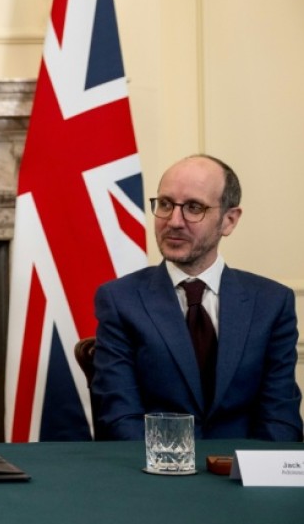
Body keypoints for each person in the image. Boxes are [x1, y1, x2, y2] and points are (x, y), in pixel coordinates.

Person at [92, 154, 302, 441]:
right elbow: (119, 418)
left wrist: (250, 467)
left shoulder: (272, 303)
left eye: (194, 207)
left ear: (229, 220)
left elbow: (280, 418)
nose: (174, 221)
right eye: (165, 204)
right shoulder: (119, 300)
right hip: (155, 465)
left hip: (243, 466)